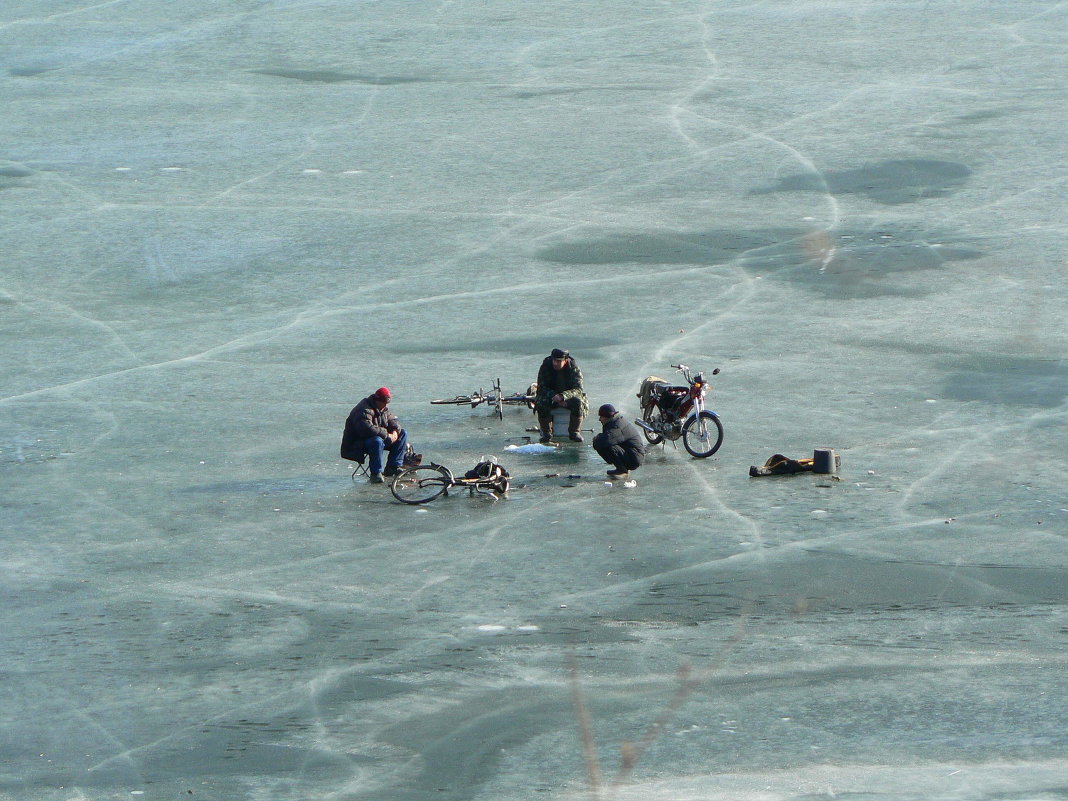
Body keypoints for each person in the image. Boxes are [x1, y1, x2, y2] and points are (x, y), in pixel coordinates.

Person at [340, 387, 411, 483]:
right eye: (384, 403)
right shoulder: (364, 409)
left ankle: (393, 466)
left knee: (403, 433)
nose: (385, 405)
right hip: (358, 443)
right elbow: (367, 430)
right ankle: (376, 473)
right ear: (377, 400)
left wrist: (395, 431)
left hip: (379, 438)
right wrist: (387, 435)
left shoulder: (383, 408)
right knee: (377, 441)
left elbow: (393, 420)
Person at [534, 348, 588, 443]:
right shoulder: (546, 367)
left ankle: (574, 432)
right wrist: (553, 395)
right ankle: (547, 433)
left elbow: (578, 389)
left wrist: (563, 396)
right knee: (540, 403)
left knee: (578, 403)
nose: (555, 363)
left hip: (567, 397)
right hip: (551, 396)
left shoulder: (573, 369)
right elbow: (541, 387)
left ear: (565, 360)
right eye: (554, 360)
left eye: (558, 361)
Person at [592, 403, 645, 479]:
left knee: (607, 445)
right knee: (602, 442)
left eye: (601, 416)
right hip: (631, 453)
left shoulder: (617, 426)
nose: (599, 419)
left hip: (635, 457)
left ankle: (622, 470)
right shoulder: (613, 422)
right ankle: (621, 468)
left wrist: (597, 439)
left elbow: (607, 440)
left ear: (607, 416)